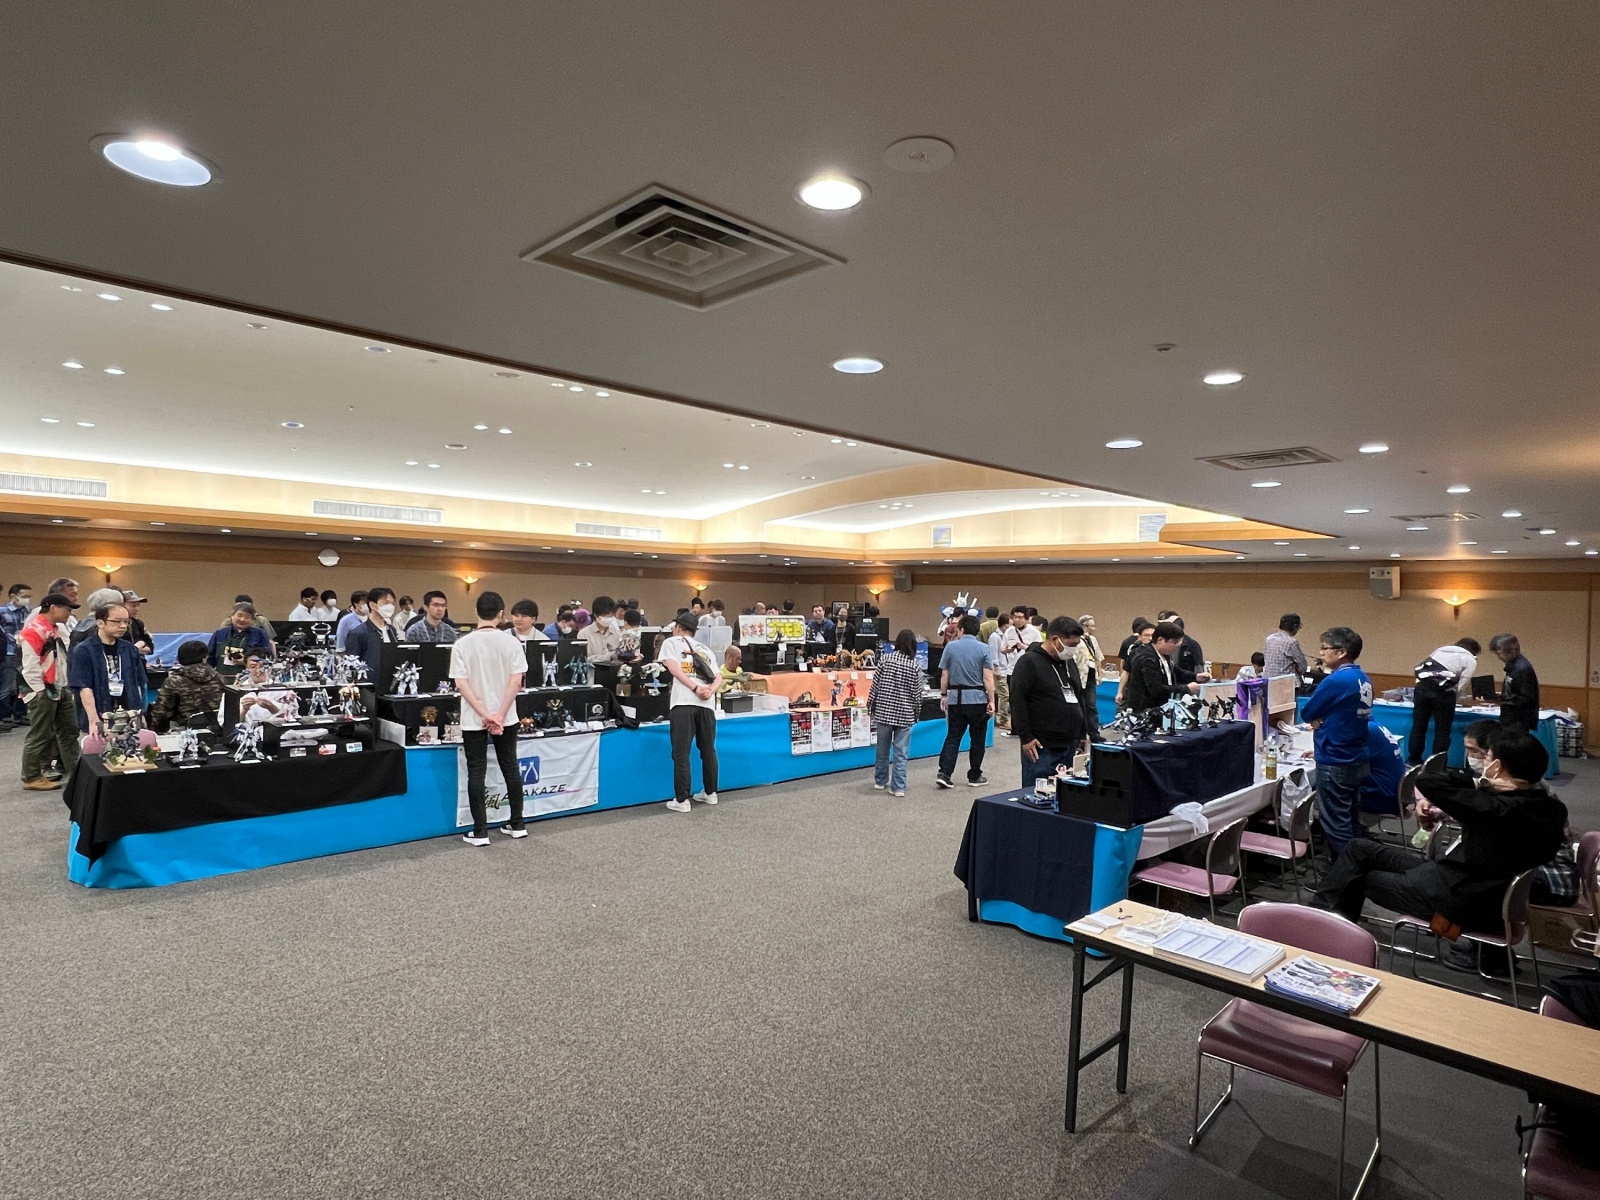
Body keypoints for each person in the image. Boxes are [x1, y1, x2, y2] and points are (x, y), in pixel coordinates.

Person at [1311, 728, 1567, 972]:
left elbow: (1428, 780)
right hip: (1473, 887)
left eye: (1486, 758)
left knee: (1354, 878)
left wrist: (1479, 782)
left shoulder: (1494, 808)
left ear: (1497, 767)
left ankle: (1318, 936)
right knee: (1359, 848)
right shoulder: (1552, 809)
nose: (1480, 762)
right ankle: (1316, 919)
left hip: (1455, 900)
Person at [450, 591, 528, 846]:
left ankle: (480, 831)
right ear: (501, 614)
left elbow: (461, 684)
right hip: (507, 717)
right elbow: (516, 682)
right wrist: (500, 715)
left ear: (476, 612)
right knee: (510, 767)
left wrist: (485, 715)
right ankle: (517, 824)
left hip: (475, 718)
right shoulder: (512, 642)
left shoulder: (462, 644)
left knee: (476, 772)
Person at [1299, 626, 1374, 859]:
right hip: (1357, 756)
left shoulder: (1336, 680)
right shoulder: (1362, 677)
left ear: (1341, 652)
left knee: (1335, 823)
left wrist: (1317, 719)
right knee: (1351, 818)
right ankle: (1357, 863)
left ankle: (1345, 871)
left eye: (1325, 648)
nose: (1321, 653)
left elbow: (1307, 712)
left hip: (1336, 757)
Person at [1010, 616, 1099, 787]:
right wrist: (1025, 737)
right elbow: (1017, 700)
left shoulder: (1068, 662)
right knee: (1038, 791)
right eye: (1071, 644)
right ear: (1055, 640)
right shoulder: (1029, 662)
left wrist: (1082, 733)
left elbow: (1078, 695)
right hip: (1041, 745)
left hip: (1070, 743)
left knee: (1065, 792)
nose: (1073, 649)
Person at [658, 610, 720, 812]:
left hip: (683, 702)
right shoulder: (706, 650)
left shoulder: (671, 642)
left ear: (677, 628)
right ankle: (710, 793)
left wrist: (694, 688)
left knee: (681, 752)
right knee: (708, 750)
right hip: (707, 704)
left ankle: (682, 800)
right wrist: (709, 690)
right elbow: (718, 677)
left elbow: (672, 667)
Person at [18, 592, 80, 790]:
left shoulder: (55, 629)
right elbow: (30, 664)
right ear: (53, 608)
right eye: (67, 609)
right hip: (43, 689)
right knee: (40, 734)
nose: (69, 613)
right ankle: (31, 777)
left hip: (59, 686)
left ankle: (77, 772)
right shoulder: (33, 630)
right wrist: (39, 690)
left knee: (69, 730)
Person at [69, 601, 148, 736]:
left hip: (128, 712)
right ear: (100, 623)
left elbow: (137, 683)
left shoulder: (129, 648)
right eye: (116, 621)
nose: (123, 626)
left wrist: (140, 714)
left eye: (126, 622)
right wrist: (93, 719)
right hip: (101, 710)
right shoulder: (84, 650)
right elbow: (84, 687)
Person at [936, 614, 995, 789]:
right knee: (977, 739)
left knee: (953, 737)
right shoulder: (984, 648)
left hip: (956, 698)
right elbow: (988, 677)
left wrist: (944, 694)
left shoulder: (950, 647)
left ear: (961, 629)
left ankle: (945, 773)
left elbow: (944, 674)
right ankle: (974, 775)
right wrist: (991, 700)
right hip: (978, 699)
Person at [1407, 636, 1481, 764]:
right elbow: (1463, 683)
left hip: (1422, 689)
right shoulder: (1470, 659)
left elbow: (1423, 669)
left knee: (1418, 727)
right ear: (1474, 651)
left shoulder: (1440, 650)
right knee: (1442, 731)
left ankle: (1413, 760)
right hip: (1444, 693)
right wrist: (1454, 698)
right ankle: (1436, 764)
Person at [868, 629, 923, 797]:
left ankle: (880, 780)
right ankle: (898, 787)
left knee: (882, 749)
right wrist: (916, 714)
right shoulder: (914, 667)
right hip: (905, 714)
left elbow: (875, 687)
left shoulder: (885, 660)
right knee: (901, 752)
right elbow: (917, 696)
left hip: (884, 712)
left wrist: (870, 706)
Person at [1122, 621, 1208, 711]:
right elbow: (1156, 689)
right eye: (1175, 642)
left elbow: (1175, 671)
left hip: (1161, 707)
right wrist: (1186, 688)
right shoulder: (1146, 658)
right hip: (1144, 710)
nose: (1177, 646)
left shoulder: (1163, 654)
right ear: (1160, 640)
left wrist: (1196, 676)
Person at [148, 639, 224, 732]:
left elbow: (161, 714)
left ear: (179, 659)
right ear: (205, 658)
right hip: (217, 730)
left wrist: (156, 732)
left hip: (183, 731)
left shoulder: (173, 681)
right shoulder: (219, 678)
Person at [995, 606, 1040, 733]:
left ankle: (1031, 727)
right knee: (1014, 699)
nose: (1017, 620)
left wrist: (1024, 646)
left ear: (1026, 619)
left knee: (1030, 699)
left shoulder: (1034, 632)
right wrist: (1009, 649)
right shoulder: (1009, 631)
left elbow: (1039, 650)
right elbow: (1002, 649)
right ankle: (1015, 728)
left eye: (1020, 617)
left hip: (1029, 670)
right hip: (1012, 670)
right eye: (1015, 617)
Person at [345, 586, 403, 677]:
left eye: (392, 603)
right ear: (372, 605)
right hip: (369, 681)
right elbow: (351, 664)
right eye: (386, 603)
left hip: (390, 678)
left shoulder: (391, 630)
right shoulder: (358, 633)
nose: (390, 606)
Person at [1488, 633, 1539, 732]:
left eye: (1500, 653)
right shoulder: (1513, 665)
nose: (1499, 657)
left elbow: (1527, 697)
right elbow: (1514, 691)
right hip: (1512, 718)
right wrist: (1499, 697)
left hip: (1518, 719)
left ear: (1512, 650)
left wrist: (1501, 701)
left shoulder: (1522, 668)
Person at [1359, 721, 1407, 817]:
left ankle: (1344, 825)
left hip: (1385, 799)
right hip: (1400, 794)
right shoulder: (1374, 725)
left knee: (1334, 788)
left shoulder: (1362, 730)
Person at [0, 582, 30, 728]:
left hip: (24, 652)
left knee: (23, 684)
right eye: (24, 596)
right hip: (9, 652)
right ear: (13, 596)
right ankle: (4, 717)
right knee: (8, 686)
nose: (27, 599)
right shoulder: (2, 611)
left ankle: (20, 714)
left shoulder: (28, 611)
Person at [207, 603, 274, 668]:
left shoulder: (260, 635)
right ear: (232, 616)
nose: (242, 619)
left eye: (247, 617)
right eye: (239, 615)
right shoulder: (219, 634)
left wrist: (246, 661)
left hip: (249, 675)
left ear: (252, 620)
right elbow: (209, 658)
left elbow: (267, 660)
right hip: (220, 674)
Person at [1115, 619, 1155, 706]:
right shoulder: (1134, 651)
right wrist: (1120, 691)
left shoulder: (1161, 653)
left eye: (1153, 635)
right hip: (1134, 691)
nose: (1150, 638)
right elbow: (1126, 672)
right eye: (1146, 635)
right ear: (1140, 637)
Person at [1263, 613, 1308, 681]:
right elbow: (1303, 667)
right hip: (1286, 682)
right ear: (1295, 626)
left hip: (1269, 681)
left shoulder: (1269, 638)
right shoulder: (1291, 642)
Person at [577, 595, 622, 663]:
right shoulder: (584, 634)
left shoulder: (616, 632)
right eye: (606, 616)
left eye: (611, 616)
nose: (609, 619)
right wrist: (607, 657)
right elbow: (584, 658)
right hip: (593, 669)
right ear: (595, 615)